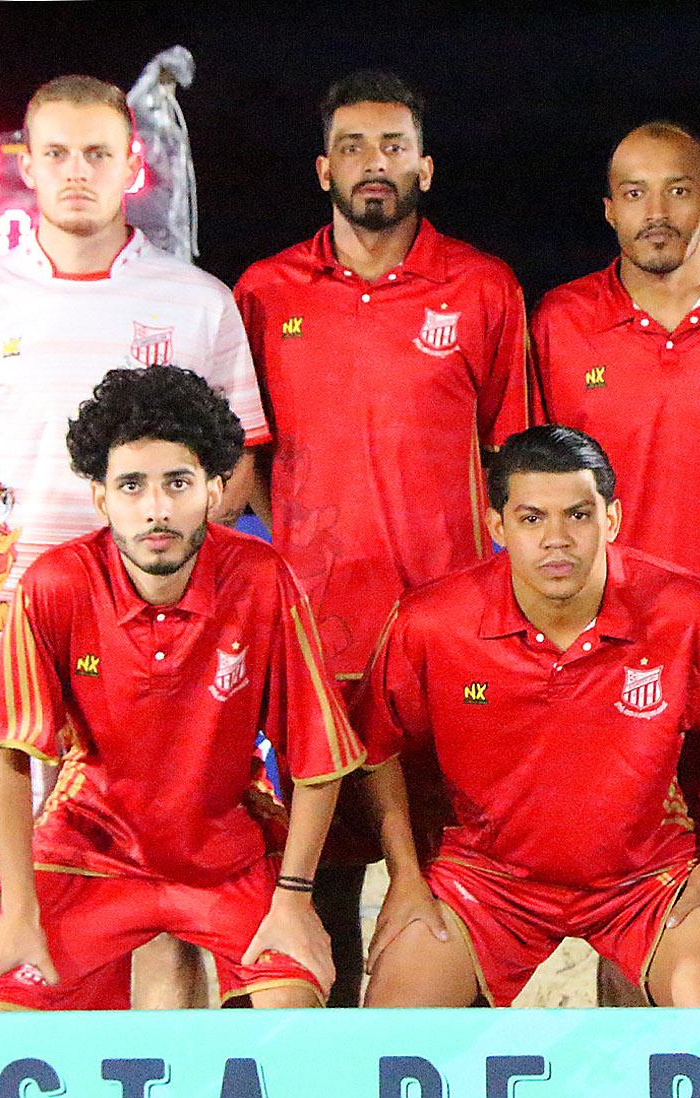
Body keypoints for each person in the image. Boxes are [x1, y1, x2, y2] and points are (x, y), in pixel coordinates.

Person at [0, 74, 268, 1009]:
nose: (76, 172)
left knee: (166, 914)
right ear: (24, 165)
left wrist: (159, 576)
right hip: (8, 647)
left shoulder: (198, 302)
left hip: (158, 650)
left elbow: (238, 472)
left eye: (98, 153)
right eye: (55, 153)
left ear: (131, 164)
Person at [234, 70, 530, 1005]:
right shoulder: (264, 291)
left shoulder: (483, 286)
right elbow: (246, 461)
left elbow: (515, 462)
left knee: (449, 887)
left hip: (447, 645)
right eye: (353, 146)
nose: (375, 163)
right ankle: (329, 1088)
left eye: (394, 146)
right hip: (314, 645)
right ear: (323, 167)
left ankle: (449, 1083)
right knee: (319, 885)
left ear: (425, 168)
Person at [0, 364, 364, 1011]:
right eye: (131, 485)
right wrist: (17, 910)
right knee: (1, 1023)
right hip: (88, 852)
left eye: (177, 483)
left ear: (213, 489)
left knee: (290, 1018)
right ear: (100, 498)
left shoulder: (260, 576)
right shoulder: (55, 584)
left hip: (228, 855)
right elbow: (10, 752)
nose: (156, 507)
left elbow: (319, 756)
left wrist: (294, 899)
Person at [356, 426, 700, 1008]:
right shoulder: (430, 622)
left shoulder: (690, 612)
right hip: (484, 881)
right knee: (393, 1029)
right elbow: (375, 746)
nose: (556, 539)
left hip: (647, 881)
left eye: (578, 516)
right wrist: (405, 876)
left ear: (611, 519)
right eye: (532, 519)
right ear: (497, 527)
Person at [529, 121, 700, 1005]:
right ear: (608, 209)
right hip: (606, 658)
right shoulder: (560, 322)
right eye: (636, 193)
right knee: (623, 899)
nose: (657, 211)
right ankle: (623, 1086)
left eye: (678, 190)